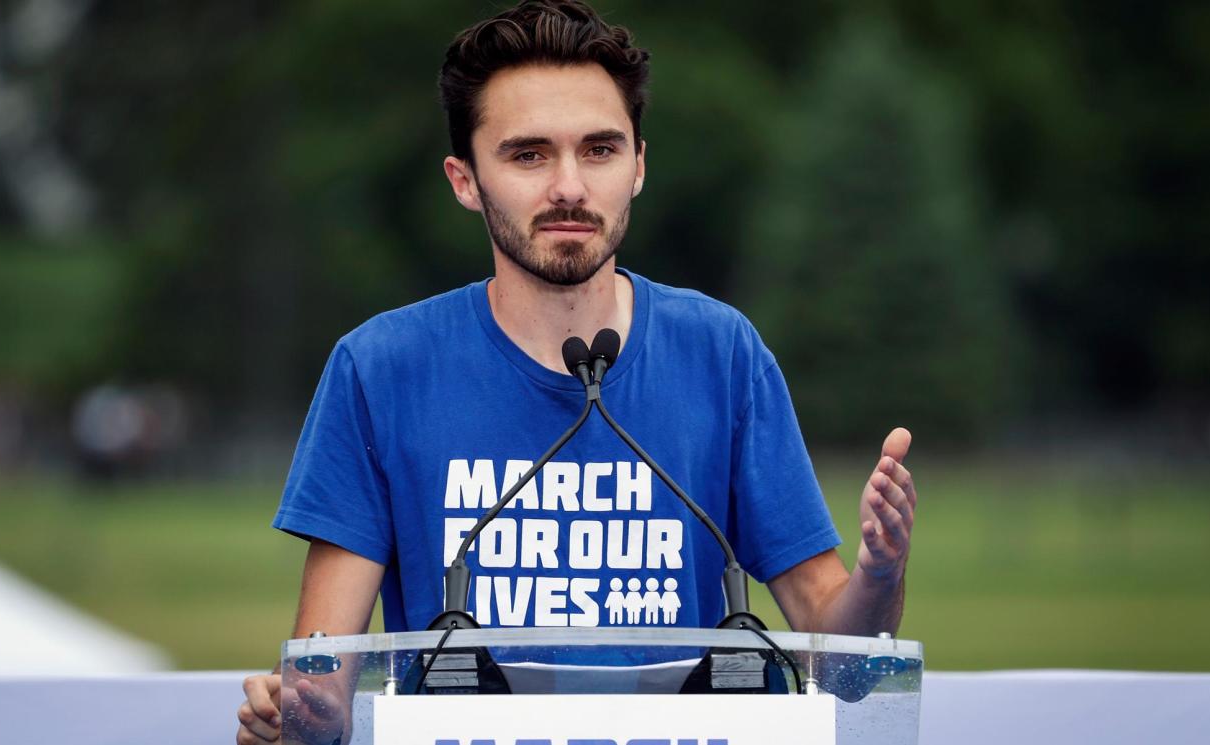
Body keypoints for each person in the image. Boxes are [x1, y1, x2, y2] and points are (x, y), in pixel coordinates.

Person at [236, 2, 918, 743]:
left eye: (599, 150)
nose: (569, 186)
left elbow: (843, 667)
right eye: (529, 155)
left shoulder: (723, 353)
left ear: (639, 166)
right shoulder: (378, 369)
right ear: (465, 179)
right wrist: (295, 717)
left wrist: (879, 577)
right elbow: (324, 677)